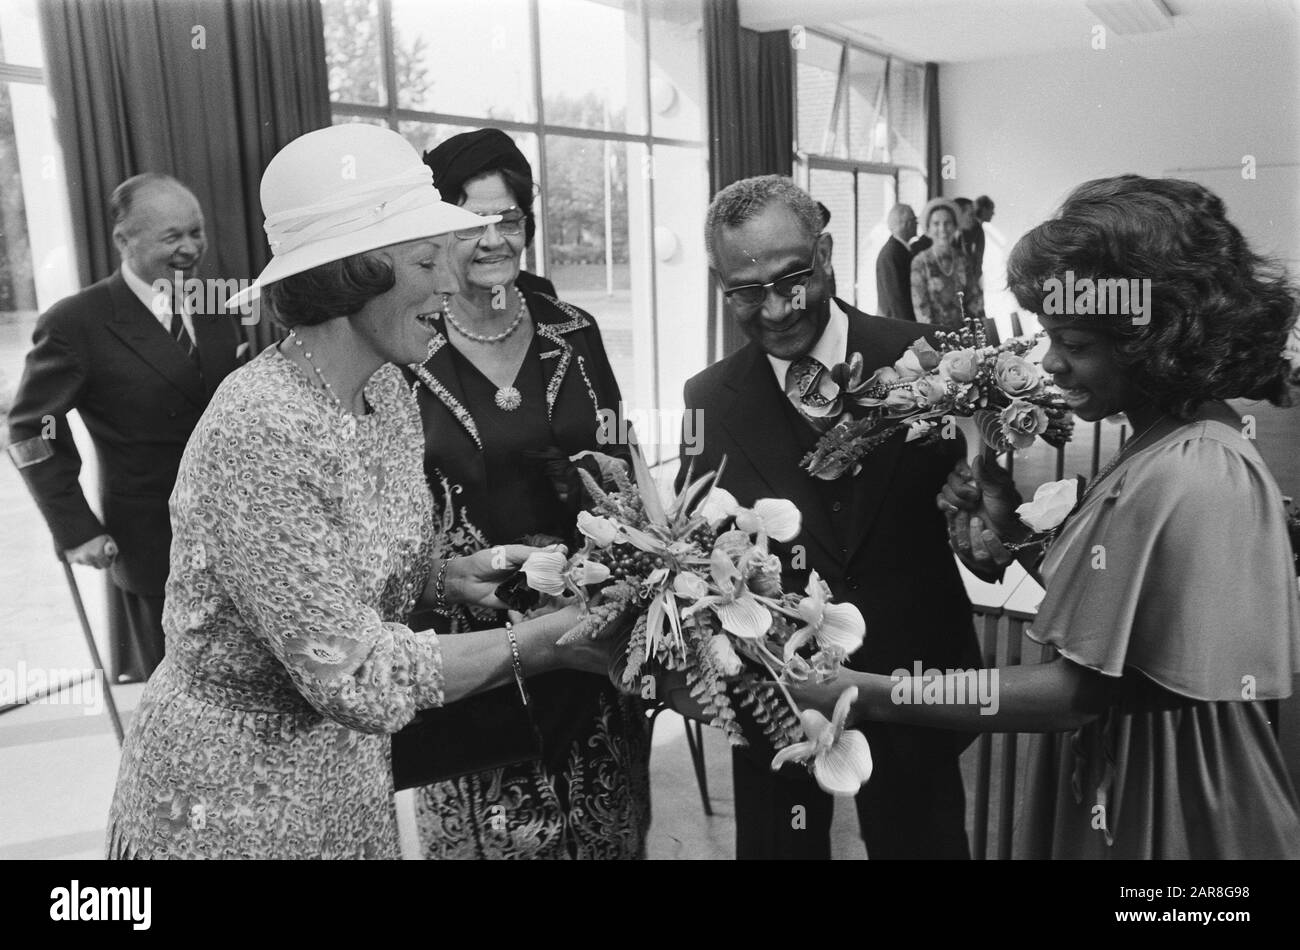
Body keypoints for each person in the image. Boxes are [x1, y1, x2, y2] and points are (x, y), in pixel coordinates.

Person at [105, 124, 612, 860]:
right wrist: (546, 643)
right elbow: (357, 674)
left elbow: (352, 581)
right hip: (231, 806)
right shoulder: (263, 428)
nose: (450, 282)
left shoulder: (389, 394)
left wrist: (445, 579)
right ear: (359, 272)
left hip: (346, 783)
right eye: (426, 260)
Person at [794, 174, 1300, 859]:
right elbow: (1115, 623)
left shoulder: (1196, 471)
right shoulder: (1163, 439)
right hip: (1123, 774)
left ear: (1155, 337)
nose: (1051, 363)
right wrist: (1006, 515)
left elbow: (1079, 691)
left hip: (1171, 805)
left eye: (1075, 343)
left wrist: (872, 694)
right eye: (1046, 335)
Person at [680, 174, 980, 860]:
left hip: (916, 684)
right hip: (773, 702)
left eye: (795, 277)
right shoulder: (706, 400)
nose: (779, 308)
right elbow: (705, 556)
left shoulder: (932, 359)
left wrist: (985, 515)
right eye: (746, 292)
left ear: (828, 252)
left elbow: (983, 525)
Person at [402, 127, 651, 860]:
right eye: (469, 222)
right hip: (472, 644)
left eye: (508, 219)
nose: (492, 239)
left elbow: (620, 466)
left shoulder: (576, 333)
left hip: (589, 628)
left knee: (604, 831)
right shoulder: (408, 349)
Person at [6, 174, 243, 683]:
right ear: (123, 240)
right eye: (171, 237)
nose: (189, 249)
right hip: (154, 543)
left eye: (196, 233)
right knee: (180, 697)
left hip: (240, 535)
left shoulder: (216, 302)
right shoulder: (77, 322)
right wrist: (76, 527)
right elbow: (32, 427)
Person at [911, 197, 982, 328]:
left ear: (955, 226)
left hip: (965, 336)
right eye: (936, 224)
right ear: (928, 228)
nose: (942, 229)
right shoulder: (920, 263)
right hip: (935, 337)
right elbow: (921, 310)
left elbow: (975, 300)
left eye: (947, 223)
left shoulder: (963, 259)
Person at [875, 203, 917, 321]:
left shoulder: (899, 250)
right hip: (896, 322)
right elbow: (896, 298)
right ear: (906, 224)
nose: (916, 224)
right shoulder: (892, 253)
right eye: (914, 220)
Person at [954, 196, 986, 281]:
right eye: (971, 214)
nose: (974, 219)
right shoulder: (946, 241)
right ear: (958, 214)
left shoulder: (962, 236)